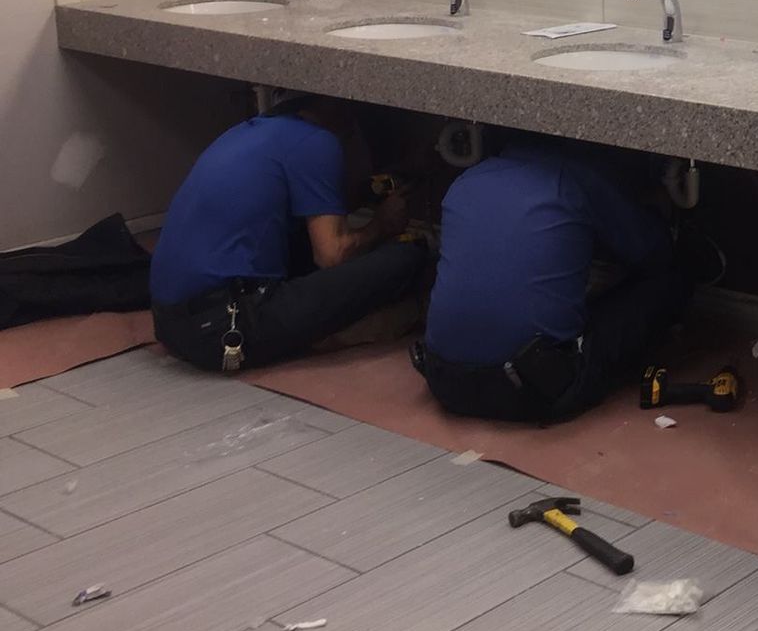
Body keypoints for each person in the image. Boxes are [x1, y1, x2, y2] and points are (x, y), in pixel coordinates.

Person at [414, 134, 689, 422]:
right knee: (670, 281)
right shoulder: (574, 178)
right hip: (533, 390)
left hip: (442, 380)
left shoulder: (466, 181)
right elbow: (654, 252)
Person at [149, 94, 427, 371]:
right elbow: (332, 255)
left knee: (306, 245)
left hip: (169, 323)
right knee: (407, 257)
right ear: (337, 104)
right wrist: (381, 225)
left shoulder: (248, 133)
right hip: (224, 331)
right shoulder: (318, 141)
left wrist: (365, 195)